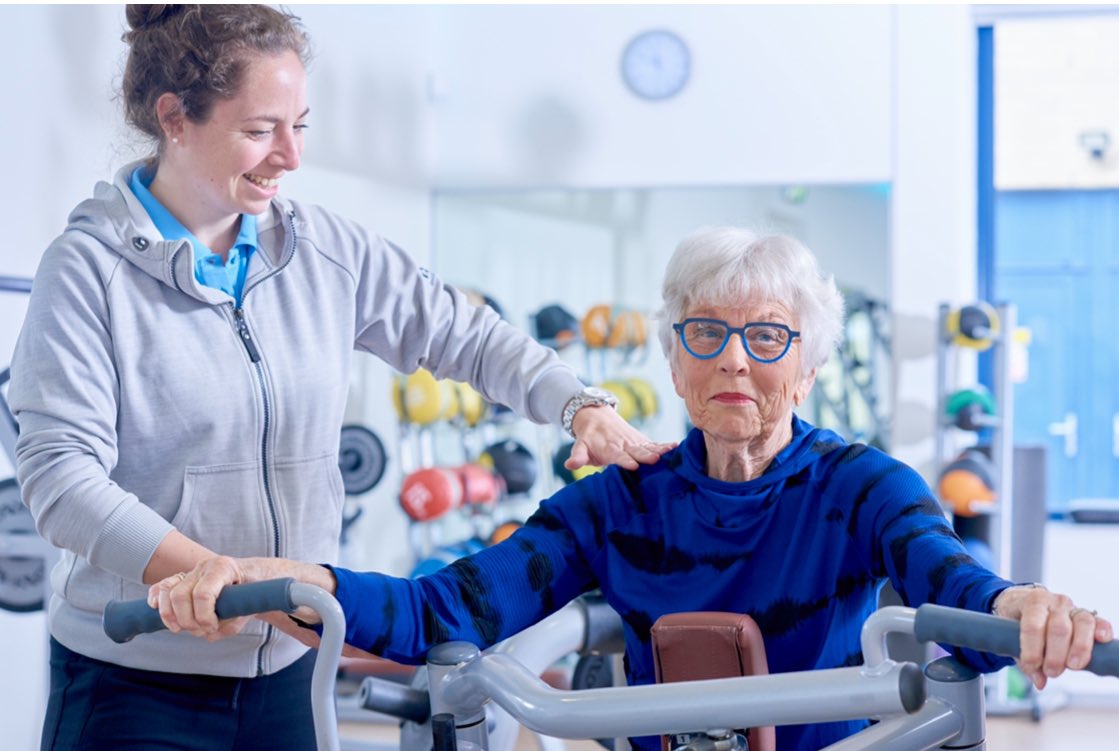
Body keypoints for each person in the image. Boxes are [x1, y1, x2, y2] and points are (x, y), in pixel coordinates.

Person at [156, 226, 1114, 750]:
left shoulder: (860, 485)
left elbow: (951, 588)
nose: (735, 359)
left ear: (809, 363)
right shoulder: (619, 498)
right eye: (706, 333)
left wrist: (1022, 608)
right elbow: (443, 606)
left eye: (767, 336)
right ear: (672, 354)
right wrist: (299, 578)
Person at [7, 6, 672, 751]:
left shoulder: (323, 250)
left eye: (301, 125)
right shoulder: (90, 272)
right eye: (260, 129)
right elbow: (62, 478)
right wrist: (215, 575)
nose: (289, 156)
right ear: (175, 118)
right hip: (135, 682)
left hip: (292, 666)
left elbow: (467, 335)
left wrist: (578, 404)